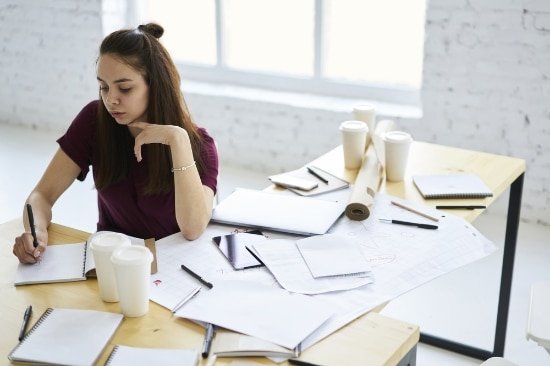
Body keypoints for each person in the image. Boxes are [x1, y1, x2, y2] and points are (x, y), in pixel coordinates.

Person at [12, 23, 218, 264]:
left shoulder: (200, 146)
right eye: (103, 86)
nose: (111, 99)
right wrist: (35, 232)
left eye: (125, 88)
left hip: (172, 270)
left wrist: (177, 140)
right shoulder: (94, 120)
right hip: (110, 265)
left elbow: (193, 229)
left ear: (156, 84)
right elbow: (41, 195)